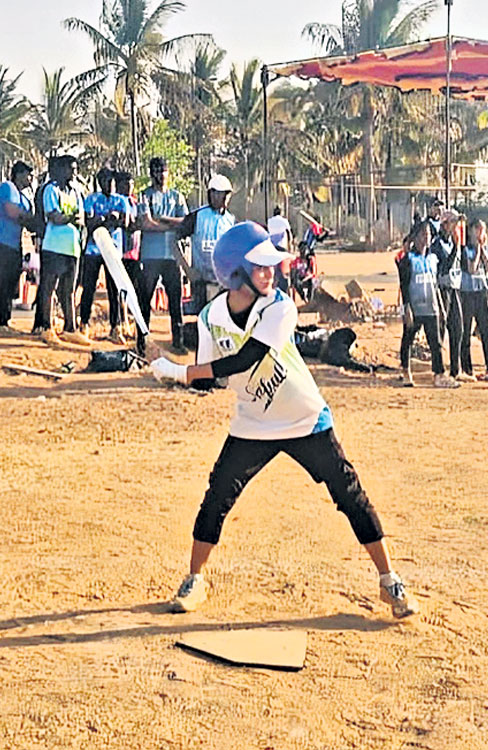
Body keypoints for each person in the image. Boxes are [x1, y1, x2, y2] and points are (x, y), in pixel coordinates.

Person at [149, 221, 418, 620]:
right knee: (217, 496)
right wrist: (165, 371)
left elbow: (246, 358)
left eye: (271, 265)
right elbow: (217, 378)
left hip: (305, 419)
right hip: (252, 424)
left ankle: (388, 579)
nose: (271, 272)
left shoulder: (280, 306)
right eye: (260, 267)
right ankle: (195, 579)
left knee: (350, 494)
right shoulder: (208, 319)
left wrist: (180, 371)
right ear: (235, 274)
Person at [33, 155, 90, 347]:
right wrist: (70, 218)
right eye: (70, 169)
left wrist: (71, 218)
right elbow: (54, 216)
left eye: (75, 169)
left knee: (69, 290)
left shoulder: (76, 192)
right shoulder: (51, 189)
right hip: (53, 246)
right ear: (60, 169)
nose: (74, 173)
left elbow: (81, 218)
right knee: (49, 288)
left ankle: (70, 328)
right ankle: (47, 327)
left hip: (72, 247)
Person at [0, 161, 38, 338]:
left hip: (14, 245)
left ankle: (4, 322)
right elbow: (12, 212)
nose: (31, 178)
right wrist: (32, 220)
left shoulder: (25, 199)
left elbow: (29, 223)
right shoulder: (7, 188)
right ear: (18, 174)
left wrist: (34, 222)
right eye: (28, 174)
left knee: (9, 284)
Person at [138, 157, 190, 353]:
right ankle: (142, 343)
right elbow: (145, 224)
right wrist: (169, 225)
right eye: (157, 171)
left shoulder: (177, 196)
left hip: (172, 256)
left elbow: (184, 223)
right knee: (145, 301)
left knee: (175, 302)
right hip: (150, 256)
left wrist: (160, 220)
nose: (161, 175)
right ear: (151, 174)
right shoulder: (145, 195)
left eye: (163, 171)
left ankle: (178, 342)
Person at [396, 222, 452, 388]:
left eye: (427, 234)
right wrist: (407, 308)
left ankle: (439, 375)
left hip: (431, 308)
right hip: (415, 308)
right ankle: (406, 371)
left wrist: (440, 307)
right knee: (408, 340)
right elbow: (404, 285)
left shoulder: (433, 259)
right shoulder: (409, 260)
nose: (425, 238)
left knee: (435, 343)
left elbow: (436, 285)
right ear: (415, 237)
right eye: (421, 234)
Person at [78, 167, 132, 342]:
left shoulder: (121, 200)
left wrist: (104, 219)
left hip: (113, 249)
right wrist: (108, 218)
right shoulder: (91, 199)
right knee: (89, 288)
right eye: (105, 181)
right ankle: (84, 323)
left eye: (111, 181)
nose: (109, 184)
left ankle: (116, 327)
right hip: (93, 249)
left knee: (113, 289)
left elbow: (125, 222)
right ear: (99, 183)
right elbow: (89, 222)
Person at [179, 174, 236, 316]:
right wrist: (188, 270)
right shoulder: (197, 216)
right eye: (220, 194)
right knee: (204, 320)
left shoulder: (230, 220)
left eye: (227, 195)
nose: (224, 199)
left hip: (222, 282)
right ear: (211, 194)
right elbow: (173, 240)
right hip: (201, 281)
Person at [431, 209, 467, 382]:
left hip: (455, 288)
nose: (456, 226)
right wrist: (455, 249)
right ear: (445, 224)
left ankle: (455, 369)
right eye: (453, 223)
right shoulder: (438, 244)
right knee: (441, 329)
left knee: (457, 328)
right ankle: (438, 370)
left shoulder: (455, 242)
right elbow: (444, 268)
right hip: (442, 289)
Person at [114, 170, 145, 345]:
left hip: (135, 253)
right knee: (121, 289)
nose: (129, 186)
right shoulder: (118, 202)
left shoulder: (135, 202)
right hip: (121, 252)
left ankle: (131, 321)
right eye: (125, 183)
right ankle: (122, 321)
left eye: (131, 183)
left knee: (133, 288)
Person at [461, 219, 488, 381]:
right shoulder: (466, 249)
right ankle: (466, 369)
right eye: (477, 229)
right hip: (467, 293)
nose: (480, 233)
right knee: (465, 332)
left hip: (482, 292)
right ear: (471, 231)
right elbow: (471, 268)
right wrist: (478, 251)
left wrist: (483, 251)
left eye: (483, 230)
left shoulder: (484, 249)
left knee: (485, 332)